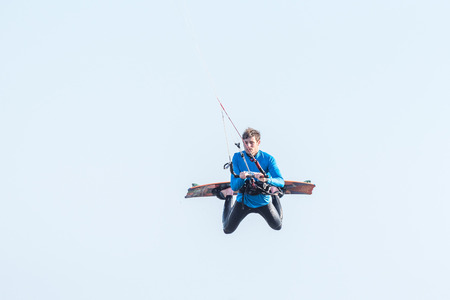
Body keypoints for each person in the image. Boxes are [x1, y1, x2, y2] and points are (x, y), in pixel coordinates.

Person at [218, 128, 285, 234]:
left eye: (251, 143)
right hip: (244, 202)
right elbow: (235, 186)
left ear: (258, 143)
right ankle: (228, 194)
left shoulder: (268, 159)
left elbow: (281, 181)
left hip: (263, 202)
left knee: (278, 226)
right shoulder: (237, 157)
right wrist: (241, 178)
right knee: (227, 229)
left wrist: (267, 180)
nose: (248, 146)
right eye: (246, 143)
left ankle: (274, 192)